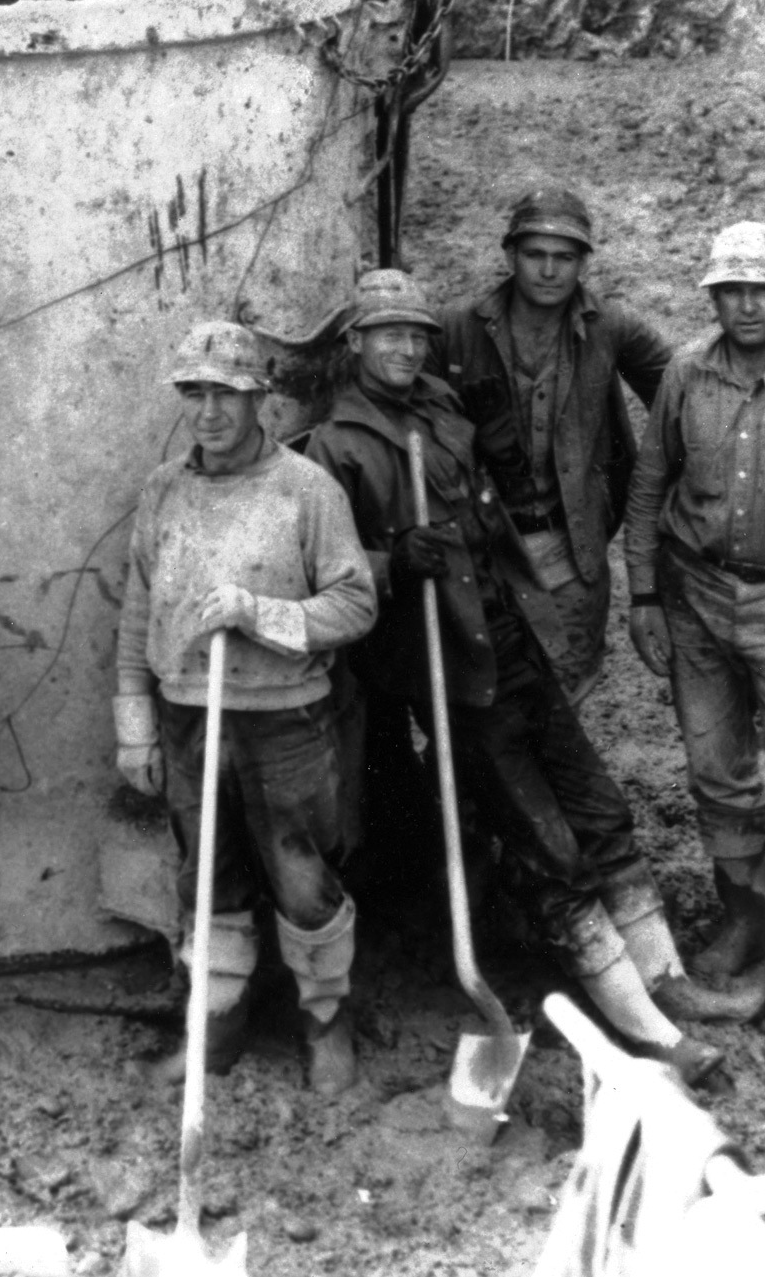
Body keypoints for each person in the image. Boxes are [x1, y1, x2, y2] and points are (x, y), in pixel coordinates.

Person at [306, 269, 758, 1085]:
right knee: (549, 844)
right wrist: (386, 561)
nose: (406, 346)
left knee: (598, 804)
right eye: (387, 335)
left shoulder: (440, 409)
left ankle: (668, 980)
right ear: (355, 345)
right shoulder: (334, 444)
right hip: (445, 664)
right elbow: (319, 571)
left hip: (510, 637)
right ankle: (644, 1026)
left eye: (416, 333)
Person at [114, 322, 376, 1094]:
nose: (209, 412)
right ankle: (216, 1030)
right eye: (195, 394)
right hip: (190, 714)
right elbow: (137, 611)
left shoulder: (305, 489)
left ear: (259, 399)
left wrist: (258, 612)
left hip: (286, 718)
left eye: (226, 394)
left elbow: (355, 603)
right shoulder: (164, 489)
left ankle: (328, 1021)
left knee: (302, 879)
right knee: (208, 877)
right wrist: (135, 724)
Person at [437, 186, 670, 705]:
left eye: (564, 257)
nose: (549, 271)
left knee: (565, 689)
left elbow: (681, 397)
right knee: (482, 693)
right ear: (510, 256)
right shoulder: (457, 327)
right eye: (535, 255)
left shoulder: (611, 327)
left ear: (582, 263)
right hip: (484, 544)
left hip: (570, 543)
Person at [624, 222, 765, 981]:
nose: (748, 305)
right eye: (733, 290)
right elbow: (649, 485)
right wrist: (643, 592)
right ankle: (743, 917)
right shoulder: (685, 372)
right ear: (713, 296)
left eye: (760, 289)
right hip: (697, 594)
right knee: (717, 766)